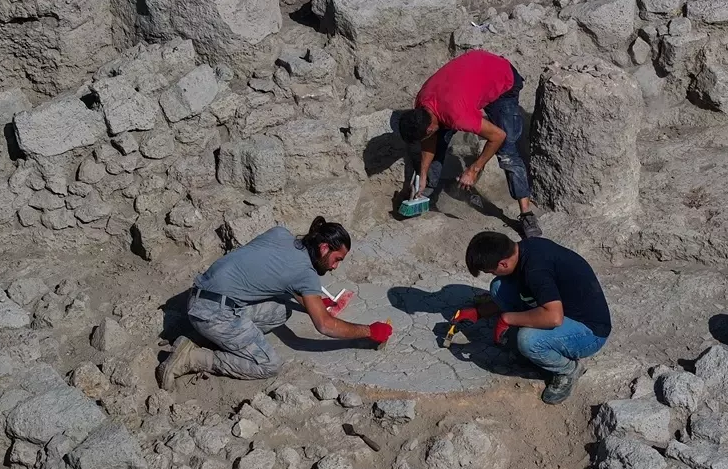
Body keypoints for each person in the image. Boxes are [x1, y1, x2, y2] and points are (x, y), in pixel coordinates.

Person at [156, 217, 392, 389]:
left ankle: (207, 336)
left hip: (202, 294)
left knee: (281, 310)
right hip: (214, 313)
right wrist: (370, 331)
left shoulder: (280, 234)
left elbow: (272, 271)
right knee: (269, 365)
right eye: (336, 259)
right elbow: (325, 325)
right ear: (323, 248)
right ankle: (192, 358)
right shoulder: (305, 274)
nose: (334, 266)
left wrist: (312, 301)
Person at [396, 49, 543, 239]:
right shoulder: (423, 104)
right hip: (475, 75)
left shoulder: (457, 115)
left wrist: (473, 169)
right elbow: (430, 140)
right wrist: (422, 174)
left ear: (429, 127)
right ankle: (423, 192)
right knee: (439, 140)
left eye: (427, 135)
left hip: (502, 78)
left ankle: (526, 214)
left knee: (507, 150)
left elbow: (498, 136)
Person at [452, 231, 610, 404]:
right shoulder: (523, 250)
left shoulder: (536, 270)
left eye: (491, 271)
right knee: (499, 287)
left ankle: (568, 370)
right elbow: (525, 294)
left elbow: (554, 317)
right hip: (562, 309)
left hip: (589, 332)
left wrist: (507, 319)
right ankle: (532, 337)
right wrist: (478, 312)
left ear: (503, 263)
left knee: (528, 340)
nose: (492, 274)